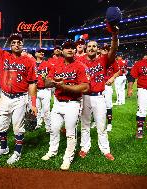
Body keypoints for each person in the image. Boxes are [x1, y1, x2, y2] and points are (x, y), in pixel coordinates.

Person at [0, 11, 37, 164]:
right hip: (4, 97)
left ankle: (17, 152)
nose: (16, 44)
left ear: (23, 45)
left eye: (19, 42)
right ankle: (4, 147)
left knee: (18, 127)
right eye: (13, 42)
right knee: (0, 125)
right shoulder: (3, 55)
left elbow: (32, 83)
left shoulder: (29, 61)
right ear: (10, 44)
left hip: (20, 99)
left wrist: (33, 104)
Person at [41, 40, 90, 170]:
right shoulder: (56, 65)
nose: (70, 50)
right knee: (54, 129)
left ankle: (68, 157)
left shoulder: (79, 66)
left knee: (70, 132)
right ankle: (52, 151)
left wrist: (64, 86)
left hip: (72, 103)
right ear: (62, 51)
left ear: (75, 51)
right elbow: (46, 84)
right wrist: (50, 80)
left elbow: (85, 87)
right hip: (57, 102)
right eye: (67, 48)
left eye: (72, 48)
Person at [79, 26, 118, 161]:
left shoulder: (103, 59)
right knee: (85, 124)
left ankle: (105, 149)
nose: (91, 48)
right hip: (84, 97)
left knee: (101, 125)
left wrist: (114, 35)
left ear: (98, 48)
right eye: (89, 46)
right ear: (86, 48)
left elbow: (113, 51)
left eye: (94, 46)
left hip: (99, 96)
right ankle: (84, 147)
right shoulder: (80, 61)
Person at [128, 44, 147, 138]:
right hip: (143, 90)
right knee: (142, 110)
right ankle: (140, 129)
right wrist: (130, 89)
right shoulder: (140, 63)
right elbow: (132, 76)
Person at [101, 46, 120, 132]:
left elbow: (118, 71)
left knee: (108, 105)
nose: (105, 51)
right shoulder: (97, 60)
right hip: (97, 86)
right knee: (96, 105)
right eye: (103, 49)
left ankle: (109, 123)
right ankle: (94, 121)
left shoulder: (113, 61)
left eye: (106, 50)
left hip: (107, 86)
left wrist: (113, 78)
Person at [34, 47, 52, 132]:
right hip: (35, 90)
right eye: (39, 52)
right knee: (37, 109)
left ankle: (48, 127)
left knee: (46, 110)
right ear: (36, 53)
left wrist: (47, 79)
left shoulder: (47, 64)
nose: (42, 53)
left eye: (42, 52)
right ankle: (38, 123)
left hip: (45, 90)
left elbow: (52, 74)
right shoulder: (32, 64)